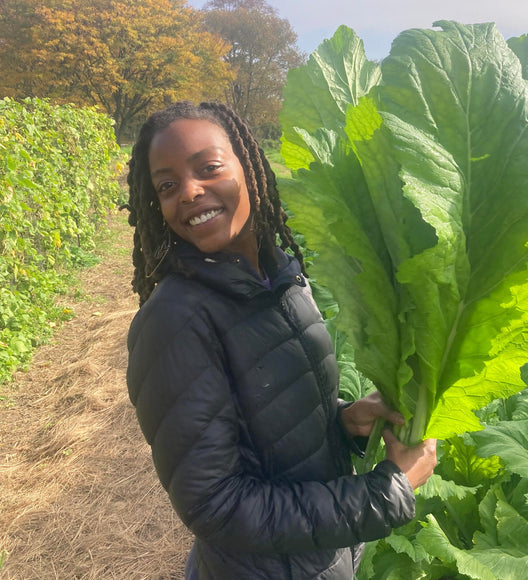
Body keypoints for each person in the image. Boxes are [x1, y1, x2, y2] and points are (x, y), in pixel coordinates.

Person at [125, 100, 437, 580]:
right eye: (167, 185)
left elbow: (266, 419)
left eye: (208, 168)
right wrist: (385, 492)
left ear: (250, 168)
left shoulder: (280, 280)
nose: (188, 191)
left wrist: (344, 420)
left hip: (323, 556)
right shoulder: (173, 319)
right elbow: (217, 505)